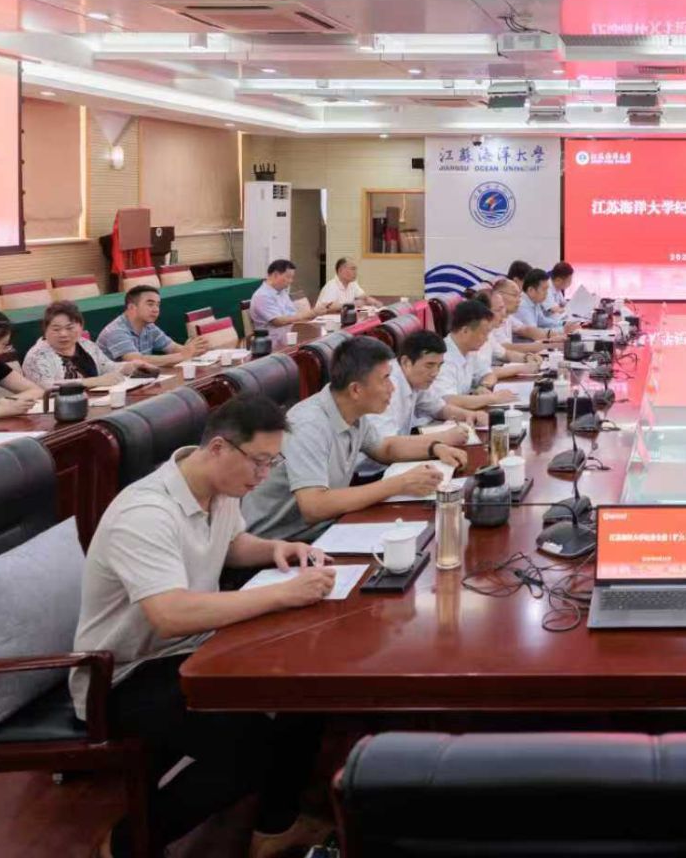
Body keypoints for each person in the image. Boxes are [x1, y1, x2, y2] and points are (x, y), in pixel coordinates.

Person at [74, 394, 334, 858]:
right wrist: (282, 594)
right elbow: (170, 615)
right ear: (218, 448)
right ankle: (125, 845)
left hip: (195, 649)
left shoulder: (219, 489)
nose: (264, 475)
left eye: (272, 463)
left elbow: (230, 545)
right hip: (123, 675)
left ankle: (273, 828)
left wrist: (277, 548)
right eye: (259, 462)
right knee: (246, 751)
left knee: (308, 690)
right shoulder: (146, 513)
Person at [241, 337, 467, 540]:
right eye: (385, 379)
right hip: (279, 543)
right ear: (356, 390)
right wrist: (400, 483)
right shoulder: (309, 424)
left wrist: (435, 447)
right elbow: (314, 506)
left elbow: (384, 448)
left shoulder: (351, 411)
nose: (392, 387)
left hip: (325, 528)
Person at [20, 301, 144, 390]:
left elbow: (106, 366)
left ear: (81, 326)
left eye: (69, 328)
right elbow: (47, 387)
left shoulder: (85, 344)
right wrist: (92, 382)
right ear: (45, 330)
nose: (63, 334)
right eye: (56, 329)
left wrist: (129, 366)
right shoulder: (37, 356)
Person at [383, 330, 485, 437]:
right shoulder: (388, 387)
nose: (435, 373)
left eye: (439, 365)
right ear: (406, 362)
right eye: (429, 365)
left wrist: (470, 415)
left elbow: (438, 408)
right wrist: (441, 439)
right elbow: (387, 443)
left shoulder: (416, 379)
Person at [435, 298, 527, 413]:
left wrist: (484, 387)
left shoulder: (469, 350)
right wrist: (492, 398)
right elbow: (447, 401)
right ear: (465, 331)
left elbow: (488, 373)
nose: (487, 339)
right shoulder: (443, 357)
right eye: (484, 333)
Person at [96, 286, 203, 371]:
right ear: (131, 307)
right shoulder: (116, 331)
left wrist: (195, 349)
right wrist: (183, 355)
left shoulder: (149, 326)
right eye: (150, 304)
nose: (156, 310)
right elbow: (137, 361)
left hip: (139, 379)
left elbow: (173, 348)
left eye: (158, 305)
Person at [250, 259, 331, 348]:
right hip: (270, 343)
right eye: (288, 277)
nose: (291, 281)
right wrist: (311, 313)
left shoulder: (281, 292)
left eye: (292, 277)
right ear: (275, 275)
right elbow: (278, 321)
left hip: (287, 337)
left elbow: (293, 314)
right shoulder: (262, 296)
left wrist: (312, 314)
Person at [511, 269, 565, 342]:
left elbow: (542, 321)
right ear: (531, 290)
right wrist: (562, 330)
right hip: (525, 344)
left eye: (547, 290)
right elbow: (535, 333)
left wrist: (563, 324)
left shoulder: (534, 301)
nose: (547, 293)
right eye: (544, 289)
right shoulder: (522, 306)